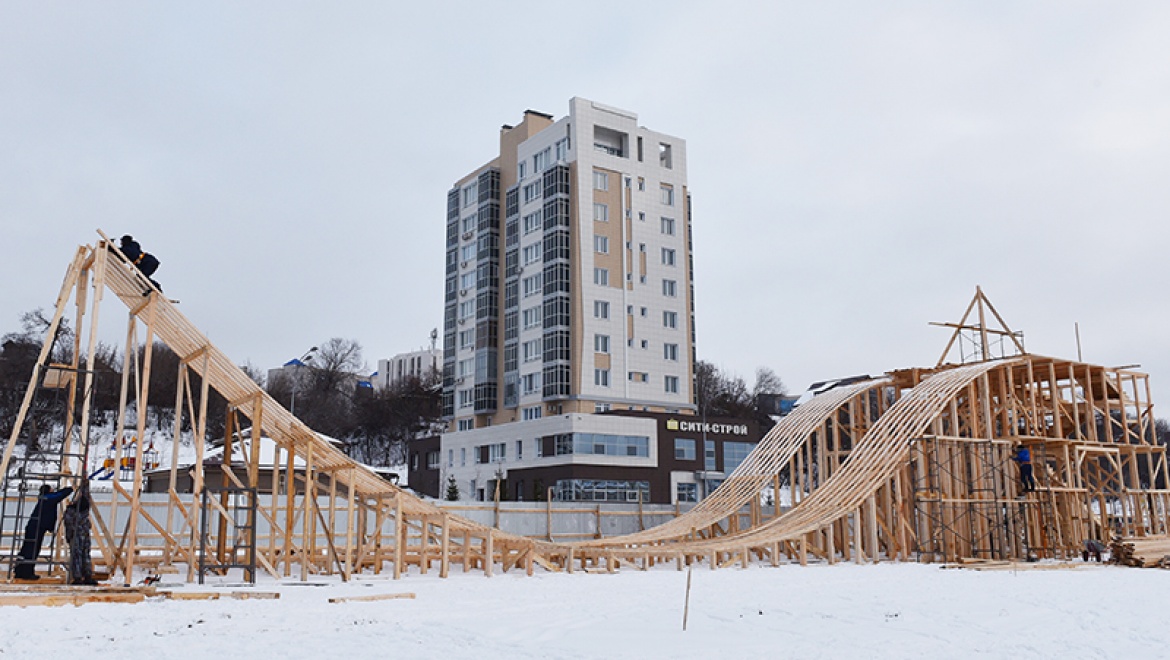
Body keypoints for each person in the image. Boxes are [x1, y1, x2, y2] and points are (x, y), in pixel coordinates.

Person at [13, 484, 74, 580]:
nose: (53, 490)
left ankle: (20, 571)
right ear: (48, 490)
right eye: (51, 489)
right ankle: (26, 573)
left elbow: (57, 494)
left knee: (27, 549)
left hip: (35, 527)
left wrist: (66, 489)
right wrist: (70, 489)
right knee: (31, 551)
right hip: (36, 528)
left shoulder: (44, 497)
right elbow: (58, 496)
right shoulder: (48, 498)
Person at [63, 479, 97, 585]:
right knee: (86, 555)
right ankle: (87, 575)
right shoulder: (85, 511)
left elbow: (68, 525)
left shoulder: (71, 512)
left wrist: (68, 537)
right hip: (84, 534)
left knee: (76, 556)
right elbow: (86, 496)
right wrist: (86, 484)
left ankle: (77, 577)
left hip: (75, 535)